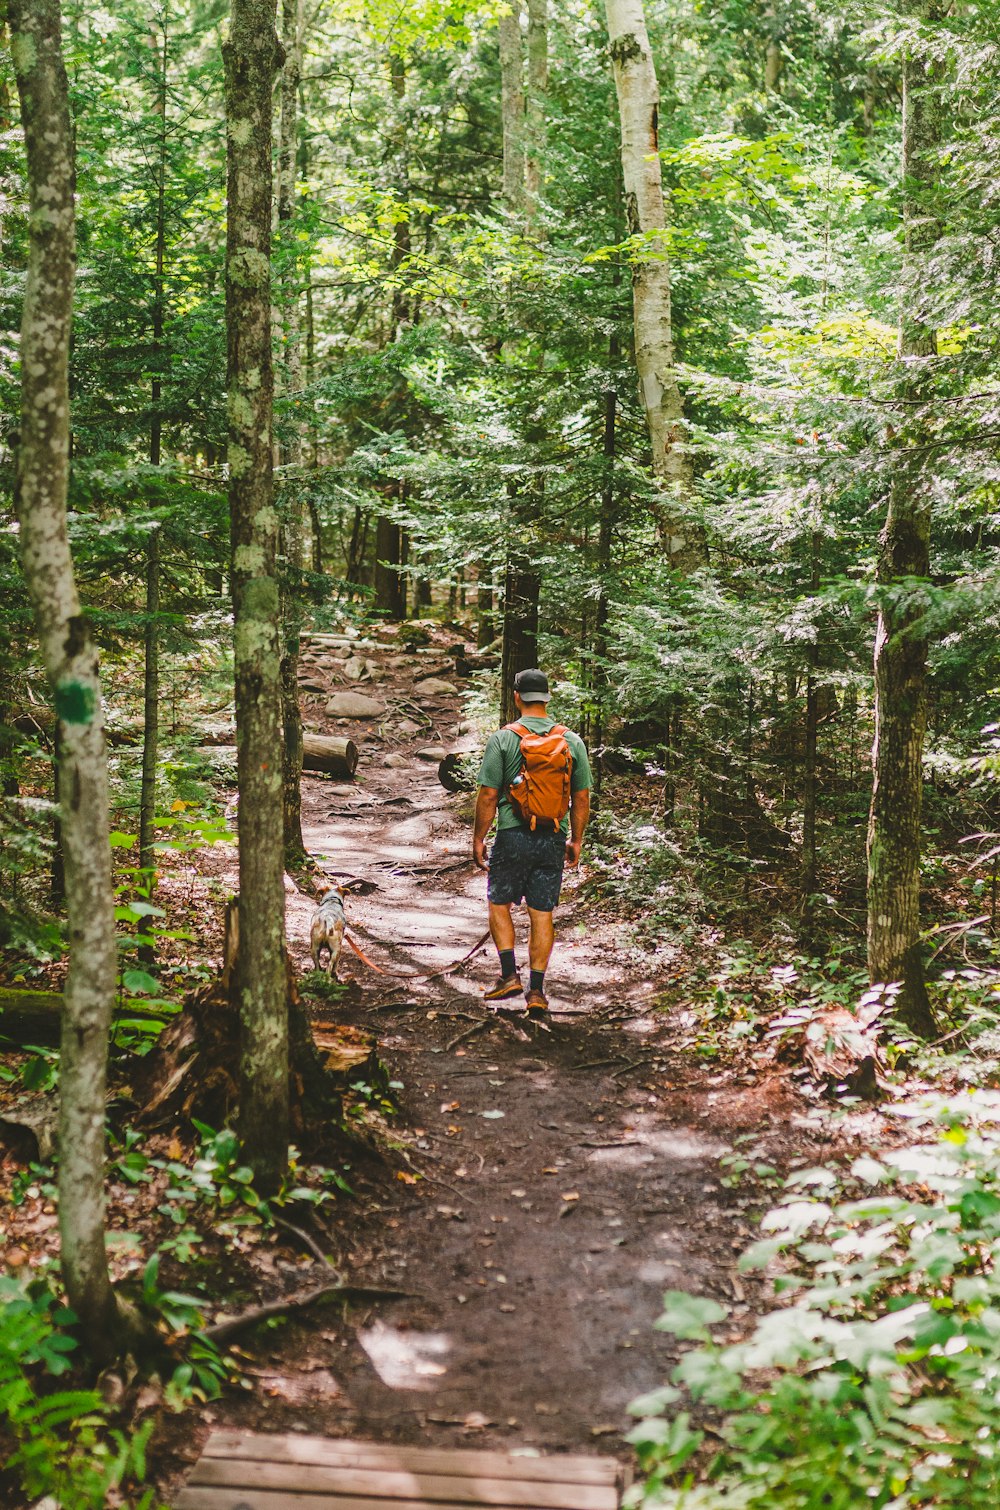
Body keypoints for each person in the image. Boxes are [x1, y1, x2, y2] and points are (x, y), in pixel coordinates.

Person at [472, 668, 592, 1016]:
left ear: (516, 697)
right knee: (542, 913)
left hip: (511, 834)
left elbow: (489, 794)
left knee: (499, 903)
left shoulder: (503, 739)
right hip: (552, 836)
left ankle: (509, 975)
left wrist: (479, 838)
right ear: (547, 697)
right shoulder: (571, 741)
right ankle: (536, 991)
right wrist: (577, 839)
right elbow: (581, 798)